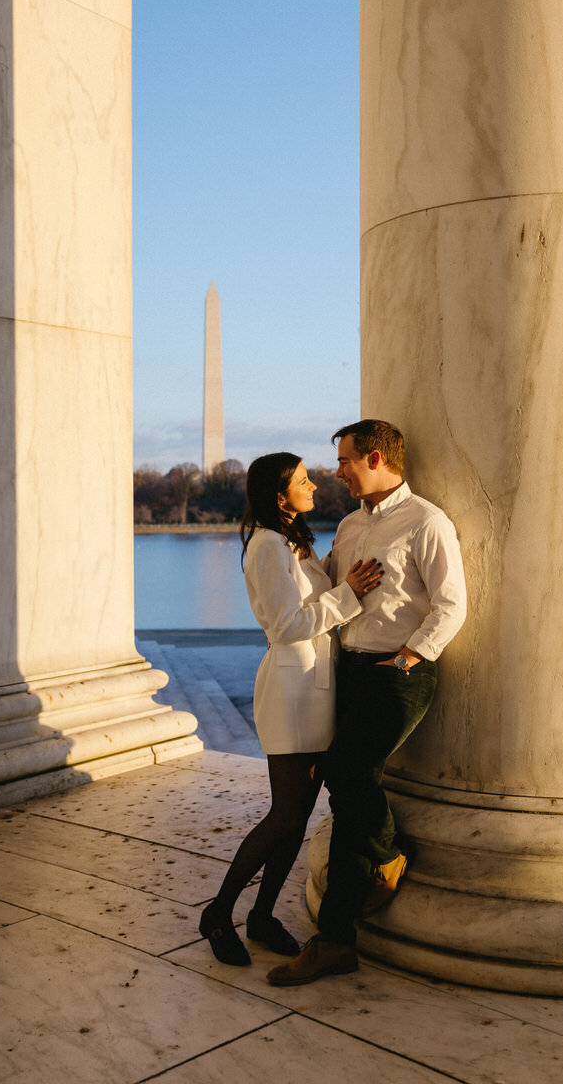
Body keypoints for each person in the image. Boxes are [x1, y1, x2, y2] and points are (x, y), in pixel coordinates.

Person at [267, 420, 467, 986]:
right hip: (349, 673)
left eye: (345, 460)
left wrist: (408, 658)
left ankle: (387, 855)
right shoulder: (351, 524)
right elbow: (331, 589)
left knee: (345, 772)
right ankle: (336, 940)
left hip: (396, 674)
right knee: (350, 792)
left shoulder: (427, 522)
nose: (337, 471)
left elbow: (452, 605)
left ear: (375, 457)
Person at [199, 451, 383, 966]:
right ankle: (219, 911)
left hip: (314, 689)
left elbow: (308, 602)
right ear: (280, 497)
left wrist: (342, 573)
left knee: (298, 816)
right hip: (290, 694)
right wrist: (350, 593)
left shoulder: (292, 545)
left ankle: (261, 916)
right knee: (284, 815)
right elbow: (286, 625)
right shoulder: (265, 546)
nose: (315, 488)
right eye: (304, 481)